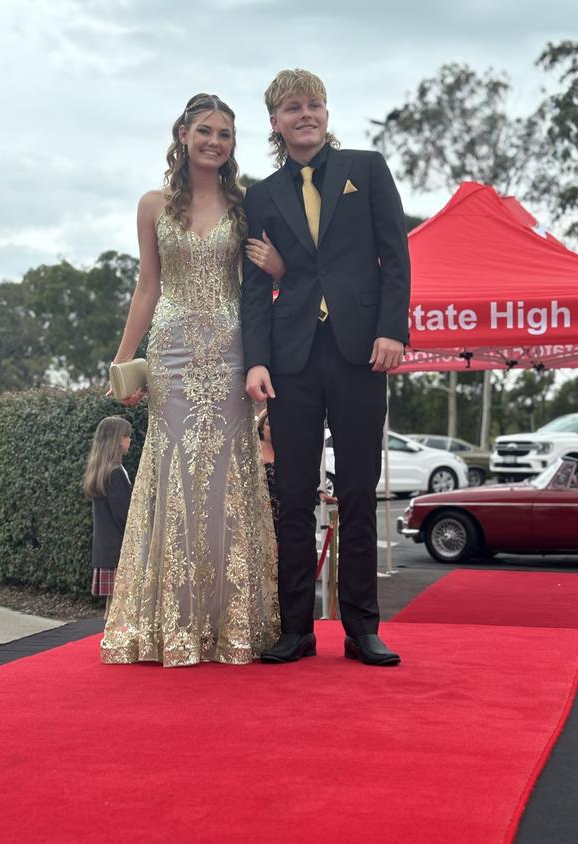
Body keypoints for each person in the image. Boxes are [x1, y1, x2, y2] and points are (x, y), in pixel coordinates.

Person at [101, 93, 284, 667]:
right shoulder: (153, 204)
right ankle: (170, 624)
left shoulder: (247, 205)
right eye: (204, 130)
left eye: (225, 134)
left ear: (233, 145)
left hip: (231, 352)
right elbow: (147, 287)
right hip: (174, 354)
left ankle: (231, 624)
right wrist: (124, 360)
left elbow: (262, 280)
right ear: (182, 134)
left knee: (227, 476)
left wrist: (280, 272)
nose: (214, 141)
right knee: (173, 471)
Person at [241, 69, 411, 666]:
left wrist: (393, 329)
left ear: (326, 113)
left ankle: (363, 627)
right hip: (291, 362)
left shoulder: (366, 169)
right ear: (275, 121)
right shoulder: (260, 195)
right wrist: (256, 361)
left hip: (362, 350)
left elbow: (395, 255)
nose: (306, 114)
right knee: (292, 496)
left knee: (360, 491)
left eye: (314, 104)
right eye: (293, 107)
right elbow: (255, 290)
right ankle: (297, 629)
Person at [83, 417, 133, 618]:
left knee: (113, 607)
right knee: (119, 610)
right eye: (127, 436)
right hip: (118, 550)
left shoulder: (100, 471)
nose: (130, 440)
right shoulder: (115, 473)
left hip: (106, 550)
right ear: (119, 440)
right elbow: (125, 514)